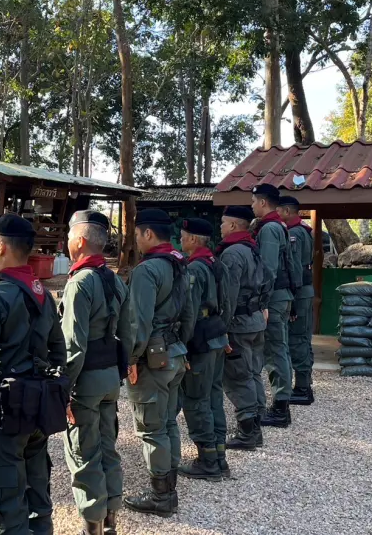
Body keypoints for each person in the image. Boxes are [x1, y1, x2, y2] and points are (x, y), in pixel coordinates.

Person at [0, 214, 68, 535]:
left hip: (4, 415)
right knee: (38, 499)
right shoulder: (43, 295)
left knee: (7, 508)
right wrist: (57, 396)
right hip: (38, 410)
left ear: (2, 247)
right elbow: (59, 352)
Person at [59, 211, 133, 535]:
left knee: (84, 454)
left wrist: (63, 389)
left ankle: (93, 526)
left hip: (85, 383)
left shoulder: (79, 283)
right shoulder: (115, 280)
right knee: (107, 449)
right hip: (109, 379)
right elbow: (127, 333)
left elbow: (73, 346)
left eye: (69, 236)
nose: (66, 242)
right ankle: (111, 520)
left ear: (80, 241)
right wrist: (121, 371)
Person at [123, 209, 195, 518]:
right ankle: (169, 486)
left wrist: (131, 358)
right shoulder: (180, 264)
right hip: (175, 352)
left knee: (151, 428)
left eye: (137, 234)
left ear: (148, 233)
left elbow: (138, 321)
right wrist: (182, 347)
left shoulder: (147, 270)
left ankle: (161, 497)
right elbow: (190, 313)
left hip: (152, 358)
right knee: (168, 422)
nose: (136, 240)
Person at [176, 217, 229, 481]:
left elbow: (190, 312)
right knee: (214, 397)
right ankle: (219, 456)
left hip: (201, 338)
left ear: (194, 239)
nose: (180, 240)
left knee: (196, 399)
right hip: (217, 334)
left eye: (183, 236)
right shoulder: (216, 262)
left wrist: (183, 346)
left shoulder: (195, 267)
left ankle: (207, 460)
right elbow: (228, 301)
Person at [217, 206, 268, 451]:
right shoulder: (252, 248)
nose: (220, 227)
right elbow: (268, 279)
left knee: (238, 377)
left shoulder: (232, 253)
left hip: (238, 323)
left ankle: (248, 431)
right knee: (253, 373)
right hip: (255, 319)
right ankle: (255, 424)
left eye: (223, 223)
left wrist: (222, 327)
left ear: (233, 225)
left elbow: (228, 295)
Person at [251, 183, 299, 428]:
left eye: (253, 201)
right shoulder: (277, 225)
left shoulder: (270, 228)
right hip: (281, 295)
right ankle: (281, 405)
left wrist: (262, 301)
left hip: (274, 298)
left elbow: (268, 270)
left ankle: (280, 408)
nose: (252, 206)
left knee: (274, 351)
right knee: (280, 349)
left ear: (262, 202)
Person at [277, 196, 316, 406]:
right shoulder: (303, 230)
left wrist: (291, 297)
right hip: (304, 290)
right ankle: (304, 383)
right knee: (303, 337)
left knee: (297, 337)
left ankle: (302, 387)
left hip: (299, 292)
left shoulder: (295, 233)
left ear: (287, 211)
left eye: (278, 210)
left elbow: (294, 268)